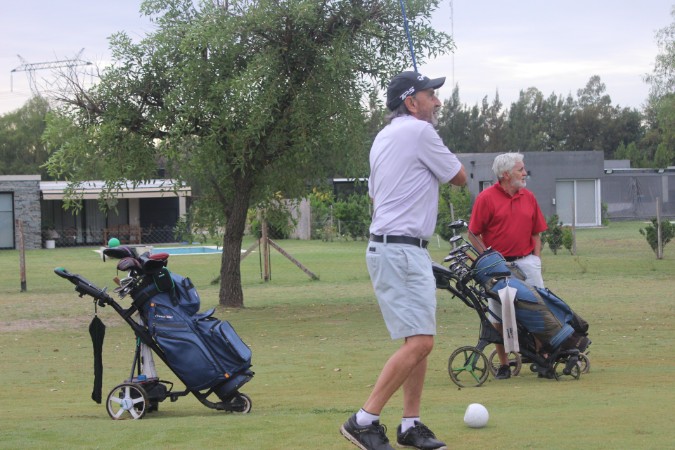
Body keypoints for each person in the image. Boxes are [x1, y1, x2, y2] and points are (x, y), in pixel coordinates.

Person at [340, 71, 467, 450]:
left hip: (396, 248)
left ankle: (410, 424)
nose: (438, 102)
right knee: (422, 342)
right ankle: (363, 420)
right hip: (401, 249)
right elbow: (459, 177)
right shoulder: (420, 132)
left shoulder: (383, 137)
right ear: (411, 102)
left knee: (418, 337)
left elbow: (376, 196)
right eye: (430, 95)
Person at [467, 152, 548, 380]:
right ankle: (503, 364)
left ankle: (542, 357)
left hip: (526, 262)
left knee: (539, 308)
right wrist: (488, 259)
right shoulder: (486, 198)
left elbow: (537, 232)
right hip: (498, 266)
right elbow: (473, 233)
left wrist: (536, 260)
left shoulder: (529, 197)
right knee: (497, 315)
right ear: (505, 174)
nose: (525, 173)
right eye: (520, 169)